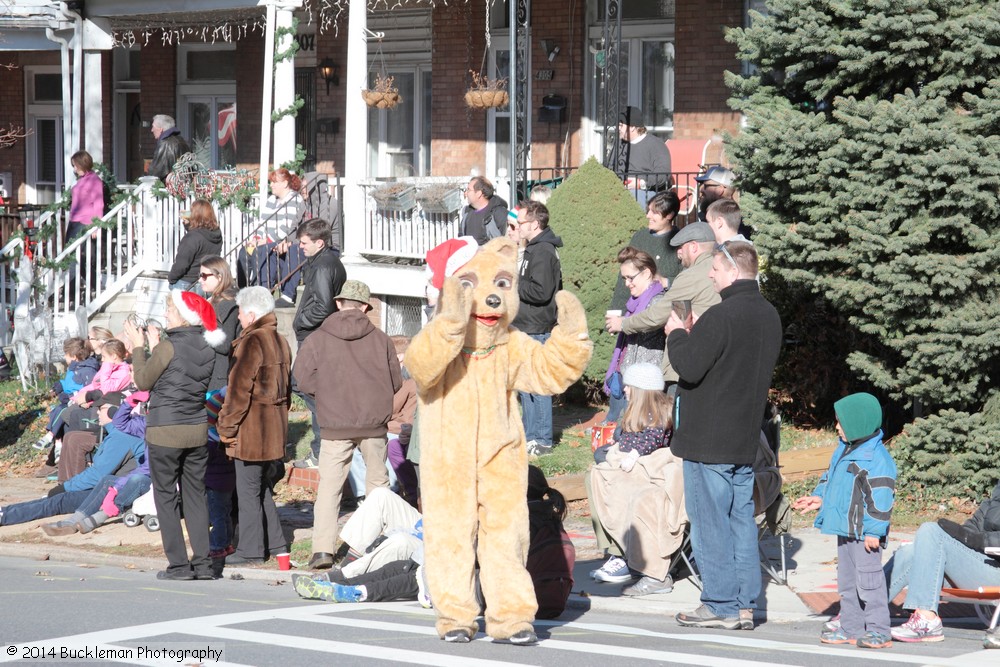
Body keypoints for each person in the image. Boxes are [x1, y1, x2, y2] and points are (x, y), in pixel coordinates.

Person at [665, 240, 781, 630]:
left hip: (708, 439)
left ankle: (720, 603)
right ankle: (744, 604)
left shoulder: (721, 315)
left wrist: (678, 333)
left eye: (714, 268)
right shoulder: (769, 315)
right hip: (744, 436)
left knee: (711, 522)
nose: (711, 274)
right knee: (741, 521)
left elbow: (689, 366)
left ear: (732, 270)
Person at [293, 279, 402, 570]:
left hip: (334, 425)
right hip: (374, 425)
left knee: (329, 488)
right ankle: (374, 545)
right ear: (366, 306)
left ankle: (322, 551)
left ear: (339, 303)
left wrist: (326, 394)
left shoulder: (318, 338)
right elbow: (396, 382)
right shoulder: (381, 339)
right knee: (378, 487)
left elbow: (301, 379)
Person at [124, 290, 225, 581]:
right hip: (196, 431)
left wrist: (140, 347)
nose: (166, 314)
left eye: (169, 310)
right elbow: (178, 375)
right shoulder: (207, 347)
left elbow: (143, 381)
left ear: (181, 315)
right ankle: (205, 565)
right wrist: (156, 346)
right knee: (195, 497)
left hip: (165, 431)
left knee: (166, 498)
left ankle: (179, 566)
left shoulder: (170, 347)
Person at [792, 393, 897, 649]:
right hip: (846, 529)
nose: (836, 427)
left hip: (865, 534)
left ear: (858, 423)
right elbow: (831, 478)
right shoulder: (845, 448)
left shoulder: (876, 459)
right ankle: (851, 627)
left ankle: (879, 630)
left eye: (841, 422)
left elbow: (881, 499)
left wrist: (874, 531)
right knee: (848, 582)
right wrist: (819, 498)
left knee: (869, 582)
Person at [589, 363, 682, 597]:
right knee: (598, 466)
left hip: (645, 466)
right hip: (627, 458)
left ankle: (620, 553)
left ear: (640, 389)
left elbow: (650, 442)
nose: (626, 390)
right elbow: (624, 437)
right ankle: (617, 550)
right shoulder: (635, 410)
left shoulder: (657, 413)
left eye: (629, 386)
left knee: (605, 481)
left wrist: (630, 454)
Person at [217, 286, 292, 565]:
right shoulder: (281, 340)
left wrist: (226, 428)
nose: (237, 317)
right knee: (261, 490)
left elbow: (238, 392)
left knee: (248, 492)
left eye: (239, 312)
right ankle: (277, 546)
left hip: (251, 429)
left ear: (250, 314)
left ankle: (250, 549)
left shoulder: (251, 342)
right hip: (274, 428)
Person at [873, 479, 1000, 644]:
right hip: (979, 563)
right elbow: (973, 527)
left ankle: (927, 620)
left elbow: (975, 537)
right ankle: (862, 611)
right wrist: (960, 534)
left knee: (931, 531)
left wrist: (976, 540)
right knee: (911, 551)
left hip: (994, 571)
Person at [0, 392, 146, 527]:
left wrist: (65, 487)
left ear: (112, 411)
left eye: (100, 408)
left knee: (57, 501)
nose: (96, 412)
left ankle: (5, 516)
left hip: (116, 493)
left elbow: (97, 475)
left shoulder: (121, 436)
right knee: (53, 499)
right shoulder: (120, 433)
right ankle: (5, 512)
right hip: (111, 488)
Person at [606, 221, 721, 385]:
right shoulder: (721, 268)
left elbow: (659, 314)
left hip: (688, 364)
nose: (678, 254)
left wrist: (624, 324)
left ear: (694, 247)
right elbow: (682, 315)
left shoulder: (691, 276)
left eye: (680, 248)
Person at [290, 219, 347, 469]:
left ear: (319, 242)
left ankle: (321, 450)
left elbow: (323, 306)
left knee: (306, 387)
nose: (300, 247)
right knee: (305, 387)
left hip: (315, 336)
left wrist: (301, 322)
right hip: (315, 336)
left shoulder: (324, 266)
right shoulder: (323, 262)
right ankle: (321, 448)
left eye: (304, 243)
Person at [512, 201, 562, 455]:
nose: (518, 226)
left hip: (536, 325)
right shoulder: (533, 248)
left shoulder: (542, 251)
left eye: (521, 222)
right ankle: (530, 435)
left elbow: (541, 292)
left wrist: (514, 284)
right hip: (524, 326)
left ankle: (542, 439)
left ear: (535, 223)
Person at [603, 248, 666, 424]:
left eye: (630, 278)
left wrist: (623, 324)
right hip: (629, 377)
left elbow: (648, 324)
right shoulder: (635, 302)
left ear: (646, 273)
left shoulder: (658, 301)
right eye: (624, 278)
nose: (627, 283)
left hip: (645, 384)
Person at [242, 168, 307, 306]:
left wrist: (266, 240)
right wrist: (256, 238)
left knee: (262, 250)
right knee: (245, 252)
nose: (271, 185)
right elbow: (262, 223)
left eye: (274, 182)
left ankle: (264, 290)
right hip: (266, 240)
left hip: (281, 240)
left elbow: (287, 228)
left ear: (284, 183)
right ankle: (245, 288)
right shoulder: (272, 200)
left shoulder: (294, 199)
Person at [610, 191, 682, 311]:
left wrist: (665, 281)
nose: (648, 215)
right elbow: (624, 278)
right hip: (635, 310)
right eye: (648, 210)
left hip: (665, 311)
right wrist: (616, 311)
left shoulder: (681, 241)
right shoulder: (640, 237)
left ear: (669, 215)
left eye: (654, 212)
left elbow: (690, 280)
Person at [33, 337, 99, 451]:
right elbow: (70, 383)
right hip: (69, 400)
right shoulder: (73, 368)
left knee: (61, 411)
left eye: (66, 354)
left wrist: (71, 396)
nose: (64, 357)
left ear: (74, 357)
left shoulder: (87, 370)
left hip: (80, 402)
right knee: (56, 411)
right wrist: (60, 385)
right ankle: (58, 444)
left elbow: (88, 388)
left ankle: (50, 436)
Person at [617, 106, 672, 207]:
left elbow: (663, 174)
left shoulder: (656, 145)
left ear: (632, 127)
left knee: (630, 198)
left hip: (648, 192)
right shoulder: (619, 146)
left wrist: (640, 183)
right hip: (620, 189)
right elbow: (608, 167)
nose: (618, 128)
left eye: (621, 125)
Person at [168, 199, 223, 293]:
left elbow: (181, 265)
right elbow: (200, 236)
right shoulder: (216, 234)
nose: (190, 213)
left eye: (192, 211)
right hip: (206, 281)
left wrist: (171, 279)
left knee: (174, 307)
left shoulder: (192, 237)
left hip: (187, 282)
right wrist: (188, 225)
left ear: (195, 215)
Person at [66, 150, 105, 243]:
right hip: (74, 220)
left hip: (85, 222)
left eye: (75, 166)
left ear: (82, 164)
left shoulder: (94, 181)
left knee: (79, 254)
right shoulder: (81, 180)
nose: (74, 169)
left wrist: (96, 226)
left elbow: (98, 204)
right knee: (68, 251)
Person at [460, 176, 508, 245]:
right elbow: (461, 238)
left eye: (468, 190)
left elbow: (508, 241)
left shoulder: (499, 213)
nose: (465, 193)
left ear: (479, 193)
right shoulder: (466, 213)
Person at [148, 114, 192, 181]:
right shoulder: (184, 142)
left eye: (153, 127)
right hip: (185, 186)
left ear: (160, 129)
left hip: (168, 188)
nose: (152, 130)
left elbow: (155, 173)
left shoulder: (165, 144)